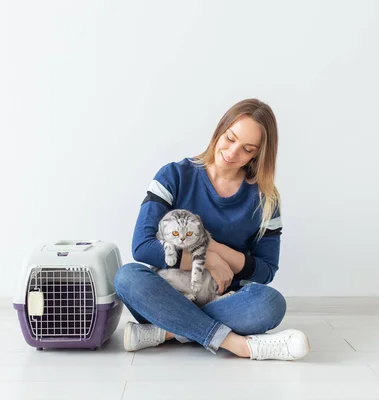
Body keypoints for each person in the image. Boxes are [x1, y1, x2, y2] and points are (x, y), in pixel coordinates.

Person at [113, 98, 310, 361]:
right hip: (168, 293)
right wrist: (207, 259)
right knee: (127, 277)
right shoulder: (174, 175)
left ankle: (168, 332)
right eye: (230, 138)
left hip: (223, 299)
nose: (232, 153)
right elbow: (142, 246)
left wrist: (216, 250)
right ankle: (238, 344)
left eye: (247, 149)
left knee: (271, 304)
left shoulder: (265, 199)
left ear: (258, 154)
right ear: (220, 129)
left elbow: (265, 271)